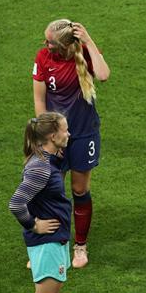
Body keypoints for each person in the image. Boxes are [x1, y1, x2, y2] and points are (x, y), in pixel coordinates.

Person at [33, 19, 110, 268]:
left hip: (83, 134)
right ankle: (47, 244)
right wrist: (44, 136)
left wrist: (88, 40)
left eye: (50, 42)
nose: (45, 45)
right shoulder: (43, 57)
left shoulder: (83, 53)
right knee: (49, 189)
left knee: (79, 190)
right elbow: (39, 99)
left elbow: (104, 75)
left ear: (64, 45)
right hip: (54, 137)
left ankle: (80, 246)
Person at [9, 113, 78, 293]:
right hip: (45, 242)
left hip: (55, 238)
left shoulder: (48, 160)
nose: (69, 134)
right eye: (65, 130)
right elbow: (16, 203)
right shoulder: (40, 168)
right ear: (52, 136)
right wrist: (33, 224)